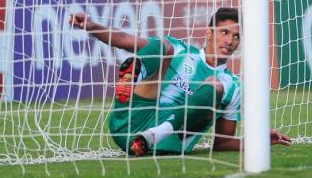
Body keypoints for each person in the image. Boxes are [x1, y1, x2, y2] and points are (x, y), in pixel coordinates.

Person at [70, 8, 291, 156]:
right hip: (129, 122)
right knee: (164, 46)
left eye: (236, 36)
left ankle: (159, 132)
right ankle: (132, 75)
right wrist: (91, 25)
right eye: (224, 32)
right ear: (209, 33)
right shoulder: (182, 50)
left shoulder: (232, 86)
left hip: (160, 144)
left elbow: (222, 143)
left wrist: (259, 139)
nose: (230, 41)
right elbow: (126, 40)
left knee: (215, 85)